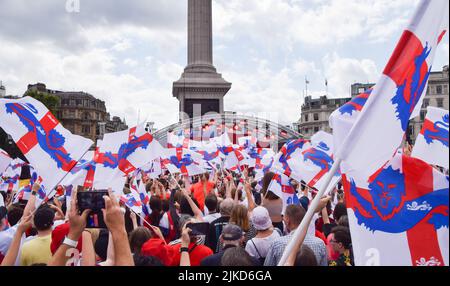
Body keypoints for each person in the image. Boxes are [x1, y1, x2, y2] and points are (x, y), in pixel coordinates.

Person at [264, 204, 328, 266]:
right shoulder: (320, 244)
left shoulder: (277, 244)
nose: (283, 219)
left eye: (284, 216)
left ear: (288, 220)